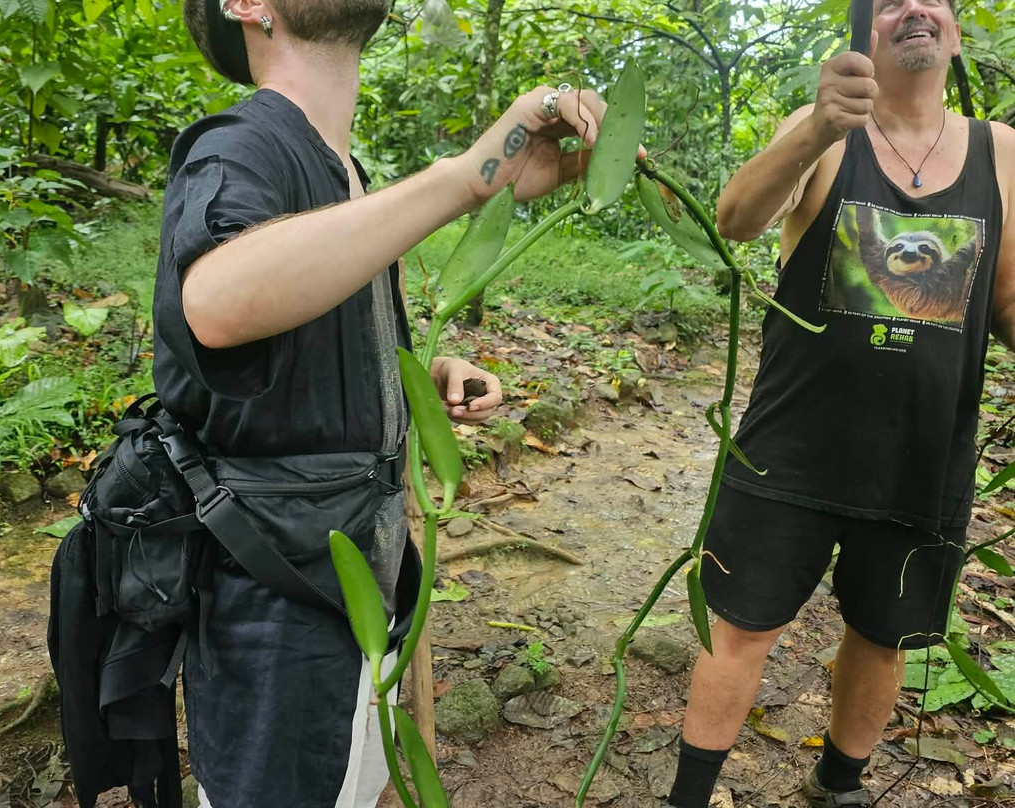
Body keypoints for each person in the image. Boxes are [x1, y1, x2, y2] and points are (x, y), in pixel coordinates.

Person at [154, 1, 616, 806]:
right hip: (273, 591)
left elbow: (313, 337)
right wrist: (468, 177)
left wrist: (420, 373)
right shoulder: (240, 143)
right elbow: (218, 302)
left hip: (365, 572)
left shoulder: (346, 170)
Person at [664, 0, 1015, 805]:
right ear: (866, 28)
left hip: (922, 454)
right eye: (891, 1)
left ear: (955, 29)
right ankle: (687, 797)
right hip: (791, 444)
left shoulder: (1001, 153)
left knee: (882, 634)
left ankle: (840, 781)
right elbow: (736, 219)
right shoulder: (821, 127)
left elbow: (1004, 302)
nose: (914, 9)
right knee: (741, 624)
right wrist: (819, 128)